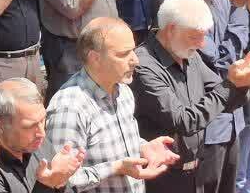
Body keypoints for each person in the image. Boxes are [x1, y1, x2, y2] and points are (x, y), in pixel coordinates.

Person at [131, 0, 250, 193]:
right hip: (163, 177)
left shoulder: (189, 54)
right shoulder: (144, 65)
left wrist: (242, 83)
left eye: (204, 35)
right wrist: (231, 85)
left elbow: (225, 99)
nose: (202, 44)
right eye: (195, 36)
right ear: (171, 29)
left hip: (197, 170)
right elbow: (184, 121)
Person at [39, 17, 181, 192]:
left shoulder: (123, 91)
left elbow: (113, 142)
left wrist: (143, 147)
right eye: (123, 54)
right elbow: (60, 180)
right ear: (95, 58)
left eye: (133, 50)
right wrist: (115, 168)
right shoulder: (70, 108)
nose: (135, 60)